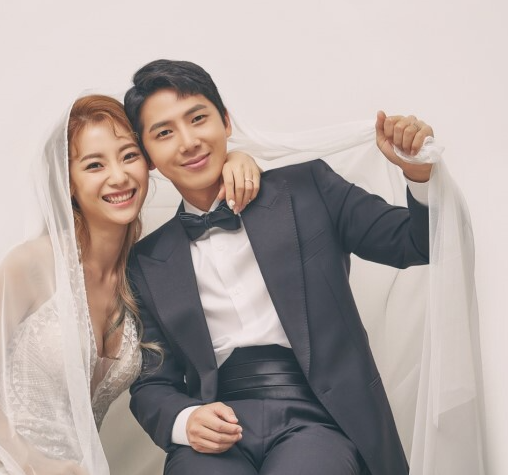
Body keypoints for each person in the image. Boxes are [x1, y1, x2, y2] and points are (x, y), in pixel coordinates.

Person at [124, 59, 439, 475]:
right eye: (164, 133)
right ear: (148, 156)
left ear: (226, 121)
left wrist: (419, 175)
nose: (188, 142)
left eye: (197, 118)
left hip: (320, 416)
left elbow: (416, 242)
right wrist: (185, 420)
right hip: (216, 426)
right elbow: (151, 382)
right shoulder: (144, 262)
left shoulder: (309, 189)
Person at [0, 93, 260, 475]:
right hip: (2, 464)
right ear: (69, 183)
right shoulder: (33, 264)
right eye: (94, 165)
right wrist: (32, 464)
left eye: (129, 156)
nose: (119, 176)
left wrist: (235, 161)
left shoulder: (143, 279)